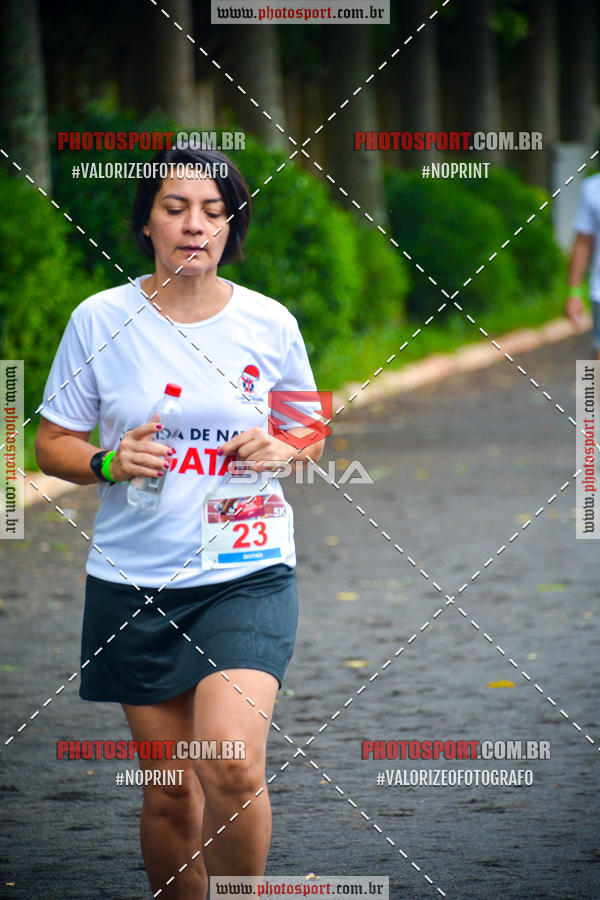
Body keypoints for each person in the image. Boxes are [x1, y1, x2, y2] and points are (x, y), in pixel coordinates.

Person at [35, 147, 325, 898]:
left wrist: (287, 445)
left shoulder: (270, 321)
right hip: (135, 580)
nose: (195, 225)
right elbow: (50, 442)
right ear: (146, 223)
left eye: (213, 211)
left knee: (232, 762)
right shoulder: (99, 319)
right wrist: (107, 461)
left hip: (247, 569)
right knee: (170, 791)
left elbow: (309, 429)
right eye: (176, 208)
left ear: (232, 227)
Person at [566, 172, 600, 359]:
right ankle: (587, 380)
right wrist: (574, 292)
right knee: (596, 358)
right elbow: (582, 242)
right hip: (599, 292)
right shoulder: (592, 188)